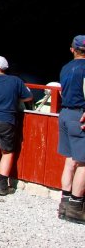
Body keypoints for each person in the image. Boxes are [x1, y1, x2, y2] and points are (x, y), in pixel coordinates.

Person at [0, 55, 32, 195]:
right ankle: (2, 185)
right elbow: (29, 97)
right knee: (7, 152)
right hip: (6, 118)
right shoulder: (16, 81)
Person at [57, 35, 85, 223]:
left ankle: (64, 204)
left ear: (72, 49)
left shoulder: (65, 67)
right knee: (83, 162)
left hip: (65, 113)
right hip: (80, 115)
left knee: (70, 160)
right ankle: (76, 206)